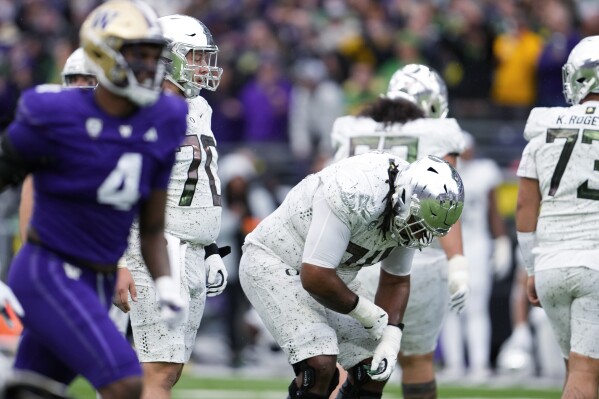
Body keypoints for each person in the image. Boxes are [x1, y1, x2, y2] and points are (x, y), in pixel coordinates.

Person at [0, 1, 189, 398]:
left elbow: (152, 226)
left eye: (155, 56)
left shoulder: (165, 118)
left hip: (98, 279)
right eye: (139, 55)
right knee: (124, 381)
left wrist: (167, 285)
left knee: (34, 391)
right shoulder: (53, 113)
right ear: (104, 52)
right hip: (47, 270)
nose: (149, 66)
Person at [239, 151, 465, 399]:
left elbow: (395, 279)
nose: (420, 236)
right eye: (417, 224)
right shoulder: (355, 190)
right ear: (402, 198)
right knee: (319, 365)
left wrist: (391, 335)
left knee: (373, 368)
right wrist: (367, 314)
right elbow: (315, 275)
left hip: (334, 276)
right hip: (276, 259)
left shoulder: (409, 204)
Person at [331, 64, 468, 398]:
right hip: (418, 260)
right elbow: (443, 202)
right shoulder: (438, 132)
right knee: (417, 361)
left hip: (354, 259)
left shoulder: (350, 127)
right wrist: (458, 261)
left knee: (346, 363)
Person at [112, 14, 228, 399]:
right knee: (158, 371)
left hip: (188, 248)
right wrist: (119, 262)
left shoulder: (200, 107)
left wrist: (209, 248)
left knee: (169, 370)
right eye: (193, 56)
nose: (202, 66)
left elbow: (191, 185)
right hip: (155, 247)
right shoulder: (141, 109)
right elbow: (121, 190)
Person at [516, 35, 599, 398]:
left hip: (551, 265)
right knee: (585, 373)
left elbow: (525, 208)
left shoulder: (543, 130)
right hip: (595, 261)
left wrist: (531, 269)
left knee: (577, 371)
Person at [440, 131, 512, 382]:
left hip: (478, 246)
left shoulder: (484, 171)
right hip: (448, 248)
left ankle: (479, 365)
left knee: (476, 308)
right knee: (450, 309)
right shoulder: (439, 175)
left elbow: (494, 211)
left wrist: (501, 241)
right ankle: (454, 365)